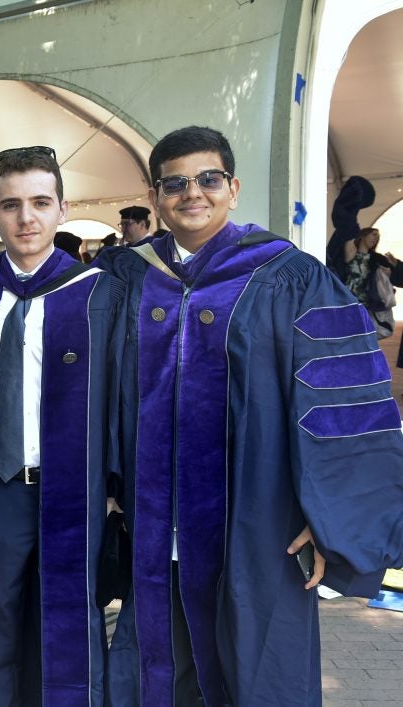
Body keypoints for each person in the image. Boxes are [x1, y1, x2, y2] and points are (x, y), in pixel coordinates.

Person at [98, 126, 403, 706]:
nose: (194, 192)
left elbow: (345, 404)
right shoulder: (126, 276)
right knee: (158, 671)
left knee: (260, 671)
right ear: (157, 196)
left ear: (233, 188)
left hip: (260, 521)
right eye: (176, 183)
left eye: (208, 179)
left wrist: (327, 517)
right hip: (155, 522)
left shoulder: (291, 276)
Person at [0, 145, 119, 706]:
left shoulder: (99, 294)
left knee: (64, 624)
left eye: (41, 202)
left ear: (63, 210)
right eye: (11, 204)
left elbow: (120, 397)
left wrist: (116, 488)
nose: (27, 218)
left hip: (72, 492)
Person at [342, 227, 403, 339]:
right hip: (349, 302)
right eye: (373, 234)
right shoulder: (351, 254)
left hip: (369, 304)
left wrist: (393, 268)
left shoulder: (378, 258)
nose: (376, 238)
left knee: (367, 336)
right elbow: (348, 235)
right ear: (363, 236)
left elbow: (397, 279)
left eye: (378, 236)